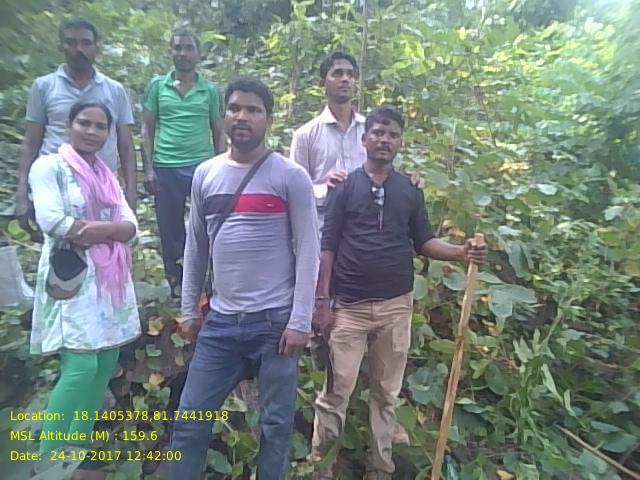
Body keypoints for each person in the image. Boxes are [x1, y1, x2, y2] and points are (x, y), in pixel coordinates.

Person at [310, 106, 488, 480]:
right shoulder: (344, 187)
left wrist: (460, 252)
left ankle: (380, 469)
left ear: (400, 142)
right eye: (377, 133)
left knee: (386, 394)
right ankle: (319, 468)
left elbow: (424, 241)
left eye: (392, 134)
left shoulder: (409, 190)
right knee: (335, 394)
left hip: (395, 307)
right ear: (364, 139)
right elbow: (328, 246)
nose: (384, 140)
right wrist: (322, 302)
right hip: (349, 309)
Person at [169, 77, 319, 479]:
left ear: (268, 119)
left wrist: (300, 320)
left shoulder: (290, 177)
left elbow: (308, 250)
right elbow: (196, 247)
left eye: (253, 110)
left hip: (275, 324)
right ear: (223, 115)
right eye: (235, 108)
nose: (242, 116)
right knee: (189, 422)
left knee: (275, 427)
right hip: (220, 325)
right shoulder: (206, 174)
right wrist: (189, 310)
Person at [28, 101, 141, 455]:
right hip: (72, 277)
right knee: (80, 366)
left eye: (100, 126)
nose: (92, 131)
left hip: (110, 282)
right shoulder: (49, 167)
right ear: (69, 125)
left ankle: (74, 454)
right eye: (84, 123)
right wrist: (112, 231)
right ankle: (46, 461)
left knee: (105, 362)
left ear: (108, 133)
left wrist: (96, 230)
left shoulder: (107, 175)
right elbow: (53, 221)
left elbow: (131, 226)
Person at [16, 18, 137, 232]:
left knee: (104, 242)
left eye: (85, 43)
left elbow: (126, 146)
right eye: (71, 42)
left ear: (97, 49)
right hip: (55, 184)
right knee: (60, 241)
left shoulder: (115, 90)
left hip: (103, 184)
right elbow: (31, 142)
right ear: (61, 46)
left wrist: (131, 191)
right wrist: (22, 192)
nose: (78, 49)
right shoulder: (44, 87)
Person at [142, 30, 226, 296]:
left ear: (198, 54)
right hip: (166, 166)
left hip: (202, 167)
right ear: (171, 52)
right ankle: (177, 282)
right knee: (169, 227)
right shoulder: (158, 87)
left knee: (207, 224)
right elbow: (147, 130)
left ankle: (210, 277)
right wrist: (148, 168)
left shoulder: (209, 90)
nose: (183, 53)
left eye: (189, 48)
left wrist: (222, 168)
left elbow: (219, 131)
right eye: (178, 48)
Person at [289, 51, 366, 230]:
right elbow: (295, 191)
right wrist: (326, 189)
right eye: (337, 73)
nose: (345, 79)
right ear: (322, 83)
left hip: (364, 230)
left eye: (350, 74)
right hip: (323, 229)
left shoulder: (370, 130)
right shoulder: (305, 135)